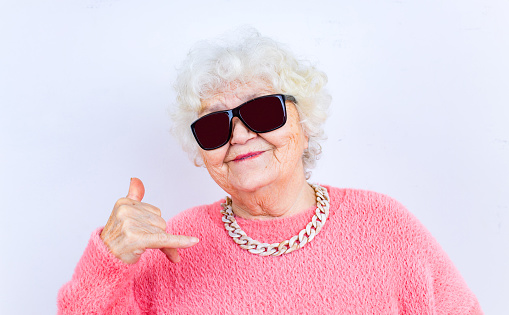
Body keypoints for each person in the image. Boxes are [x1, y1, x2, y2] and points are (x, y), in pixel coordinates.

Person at [58, 29, 482, 314]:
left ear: (305, 120)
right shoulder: (172, 247)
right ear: (201, 150)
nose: (239, 135)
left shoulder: (385, 226)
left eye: (262, 110)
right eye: (213, 124)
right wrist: (108, 261)